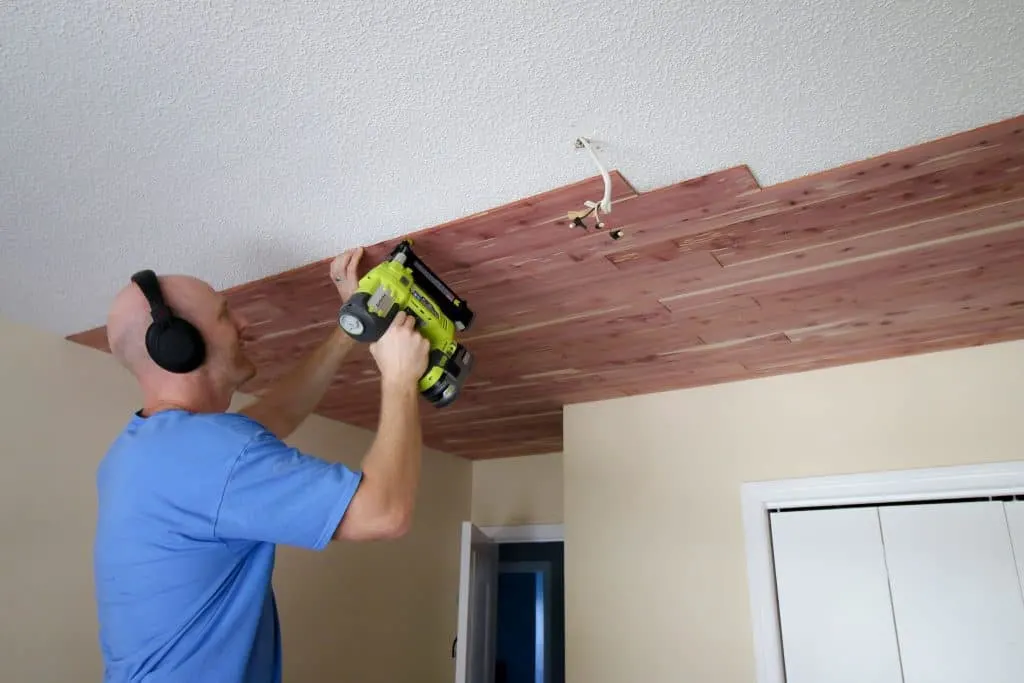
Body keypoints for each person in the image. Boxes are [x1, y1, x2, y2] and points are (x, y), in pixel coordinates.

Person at [93, 247, 430, 683]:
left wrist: (352, 326)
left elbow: (279, 414)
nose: (244, 323)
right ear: (179, 345)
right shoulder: (211, 453)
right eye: (225, 314)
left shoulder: (140, 450)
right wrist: (400, 377)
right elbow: (384, 514)